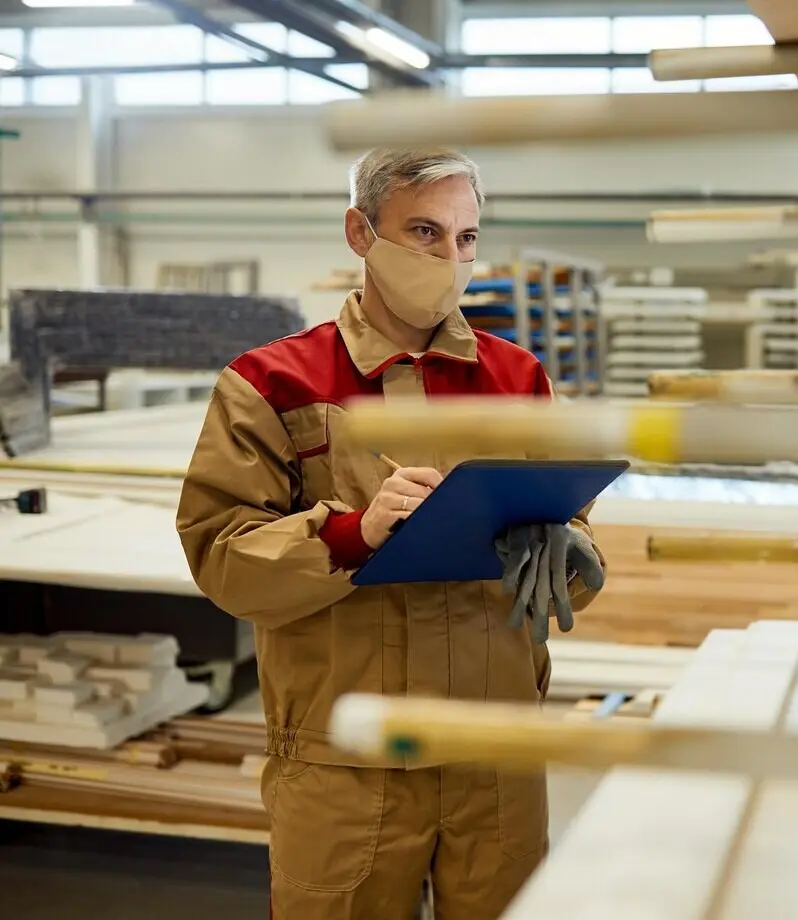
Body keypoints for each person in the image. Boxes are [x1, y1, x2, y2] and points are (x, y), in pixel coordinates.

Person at [176, 148, 605, 920]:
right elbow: (222, 555)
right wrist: (352, 533)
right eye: (423, 232)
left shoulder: (519, 380)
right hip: (346, 759)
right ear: (359, 232)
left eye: (465, 238)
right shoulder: (273, 382)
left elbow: (564, 539)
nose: (449, 258)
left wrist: (571, 548)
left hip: (494, 754)